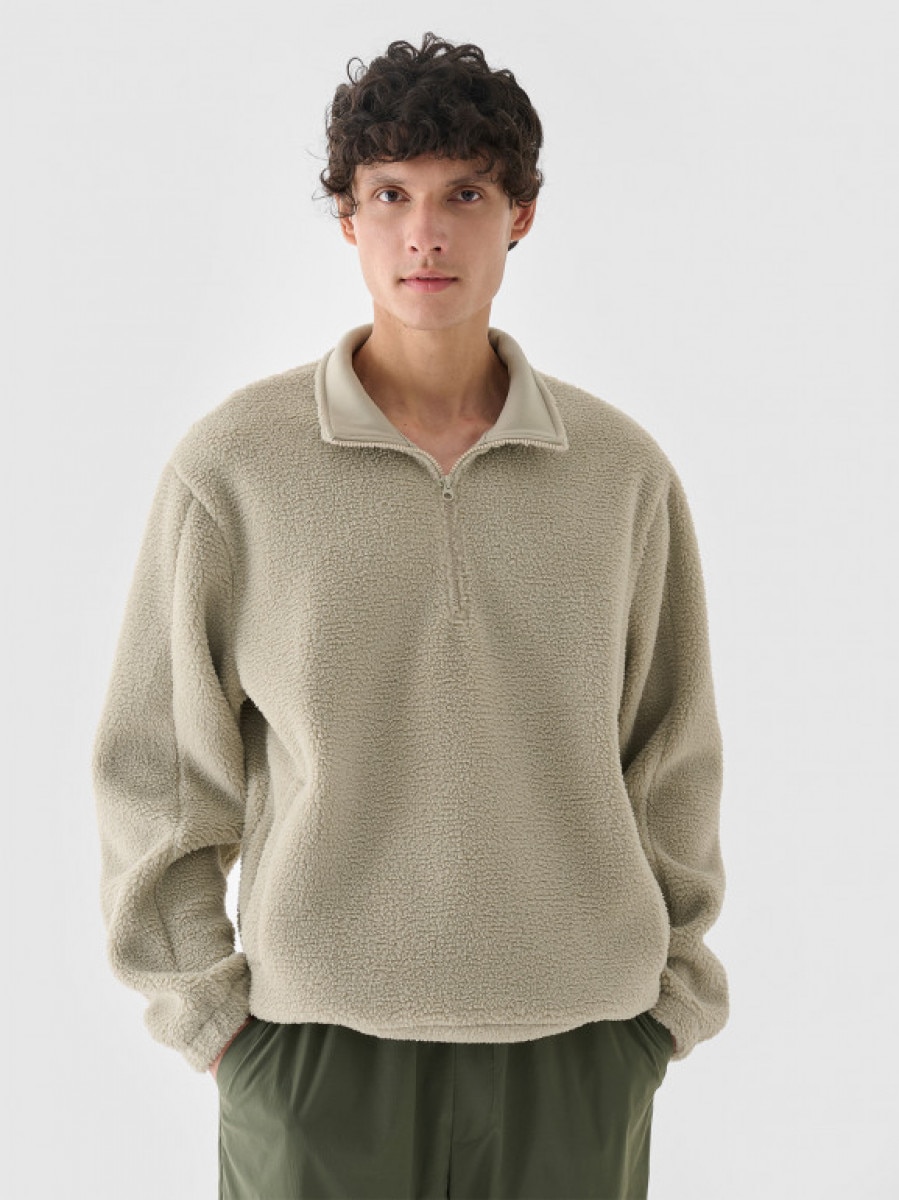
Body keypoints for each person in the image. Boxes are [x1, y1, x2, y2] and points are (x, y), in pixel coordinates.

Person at [92, 31, 729, 1200]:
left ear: (520, 215)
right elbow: (158, 769)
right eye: (389, 194)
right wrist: (209, 1017)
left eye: (463, 195)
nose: (424, 233)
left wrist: (669, 1001)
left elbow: (669, 753)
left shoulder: (619, 476)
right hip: (314, 1055)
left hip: (580, 1044)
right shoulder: (234, 468)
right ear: (348, 217)